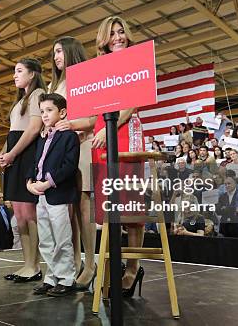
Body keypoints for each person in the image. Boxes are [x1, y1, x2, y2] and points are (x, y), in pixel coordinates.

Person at [91, 16, 145, 298]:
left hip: (125, 131)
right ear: (104, 39)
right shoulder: (97, 68)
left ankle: (133, 269)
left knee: (132, 209)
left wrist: (109, 128)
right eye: (112, 34)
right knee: (109, 210)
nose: (118, 37)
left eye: (122, 32)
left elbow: (133, 101)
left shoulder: (136, 60)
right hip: (102, 133)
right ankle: (109, 268)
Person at [47, 36, 97, 290]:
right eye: (54, 52)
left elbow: (92, 118)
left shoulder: (85, 78)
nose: (56, 56)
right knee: (69, 209)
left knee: (84, 207)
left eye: (60, 51)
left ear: (71, 52)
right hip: (60, 150)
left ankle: (90, 264)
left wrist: (69, 124)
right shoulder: (54, 84)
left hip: (83, 144)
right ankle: (73, 263)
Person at [0, 58, 45, 283]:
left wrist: (13, 153)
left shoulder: (37, 95)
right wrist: (5, 154)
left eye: (19, 71)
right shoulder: (20, 100)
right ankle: (26, 263)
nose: (15, 75)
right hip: (15, 153)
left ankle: (34, 265)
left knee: (28, 214)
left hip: (27, 154)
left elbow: (34, 128)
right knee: (19, 216)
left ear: (33, 74)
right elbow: (13, 131)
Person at [27, 93, 79, 297]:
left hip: (58, 193)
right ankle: (51, 277)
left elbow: (69, 167)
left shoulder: (69, 137)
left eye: (49, 110)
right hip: (40, 194)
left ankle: (66, 278)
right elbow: (35, 163)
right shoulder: (42, 138)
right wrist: (30, 182)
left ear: (63, 112)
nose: (45, 115)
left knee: (62, 238)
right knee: (46, 239)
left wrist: (47, 183)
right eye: (42, 111)